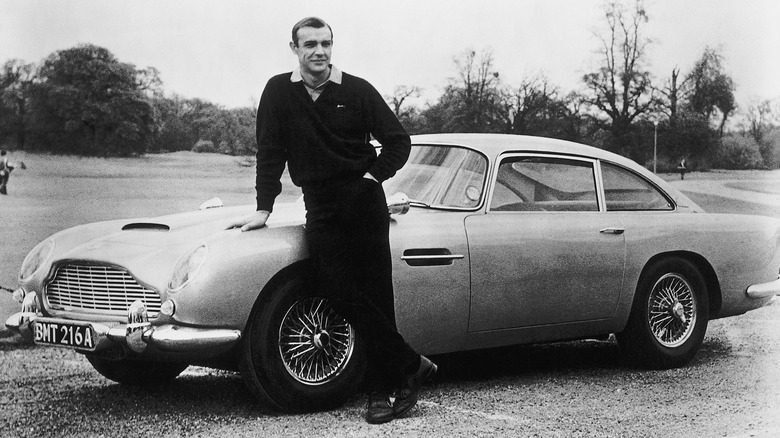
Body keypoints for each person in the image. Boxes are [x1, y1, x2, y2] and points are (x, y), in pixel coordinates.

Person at [229, 17, 436, 424]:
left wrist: (372, 176)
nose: (319, 52)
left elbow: (398, 141)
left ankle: (382, 390)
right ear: (294, 48)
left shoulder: (356, 89)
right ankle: (412, 364)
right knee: (336, 290)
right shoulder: (277, 91)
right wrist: (263, 208)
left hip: (362, 201)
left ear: (332, 46)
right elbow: (269, 152)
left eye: (325, 43)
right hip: (319, 204)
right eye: (309, 44)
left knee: (376, 294)